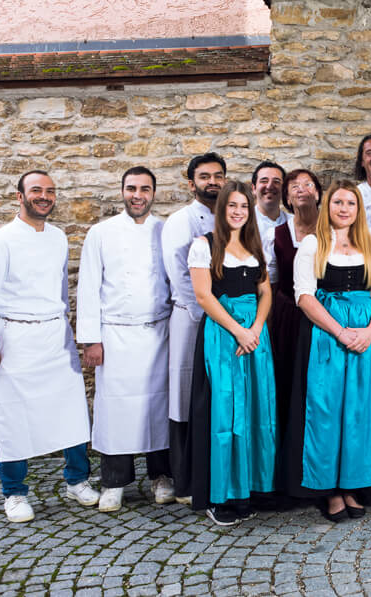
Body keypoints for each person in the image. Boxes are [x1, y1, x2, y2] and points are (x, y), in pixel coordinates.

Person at [0, 170, 96, 523]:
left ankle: (77, 480)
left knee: (70, 411)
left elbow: (59, 293)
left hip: (55, 336)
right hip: (16, 339)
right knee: (13, 416)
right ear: (19, 197)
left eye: (50, 191)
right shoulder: (0, 242)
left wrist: (70, 333)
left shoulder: (58, 238)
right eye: (36, 190)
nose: (44, 196)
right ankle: (15, 492)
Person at [284, 179, 371, 521]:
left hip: (366, 336)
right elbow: (304, 296)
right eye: (338, 202)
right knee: (327, 412)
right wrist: (340, 332)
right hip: (327, 338)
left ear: (358, 209)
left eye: (350, 203)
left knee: (361, 412)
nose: (344, 209)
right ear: (327, 207)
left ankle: (353, 483)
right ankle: (331, 489)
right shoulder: (312, 244)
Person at [77, 167, 174, 512]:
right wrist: (90, 339)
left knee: (159, 407)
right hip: (115, 334)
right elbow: (88, 286)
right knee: (115, 409)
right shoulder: (101, 233)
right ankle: (115, 481)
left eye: (145, 189)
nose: (138, 195)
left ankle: (161, 477)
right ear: (122, 191)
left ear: (153, 193)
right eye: (131, 188)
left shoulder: (166, 230)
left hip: (158, 331)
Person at [187, 180, 277, 526]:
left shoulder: (255, 246)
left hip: (255, 335)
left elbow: (265, 292)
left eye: (244, 206)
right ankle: (220, 494)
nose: (238, 212)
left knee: (256, 408)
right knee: (226, 411)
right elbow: (203, 296)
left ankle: (250, 488)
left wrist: (255, 329)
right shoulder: (204, 246)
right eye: (232, 206)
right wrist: (239, 330)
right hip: (223, 336)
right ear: (222, 209)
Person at [161, 152, 226, 503]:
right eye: (205, 176)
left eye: (218, 176)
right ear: (191, 183)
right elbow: (180, 275)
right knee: (186, 394)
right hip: (192, 316)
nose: (212, 182)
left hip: (223, 318)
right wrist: (208, 312)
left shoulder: (231, 218)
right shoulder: (180, 221)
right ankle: (184, 478)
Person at [268, 168, 322, 440]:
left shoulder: (333, 227)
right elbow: (272, 284)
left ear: (318, 193)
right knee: (290, 379)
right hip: (289, 315)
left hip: (326, 315)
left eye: (308, 184)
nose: (302, 189)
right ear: (287, 198)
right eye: (294, 186)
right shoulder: (276, 235)